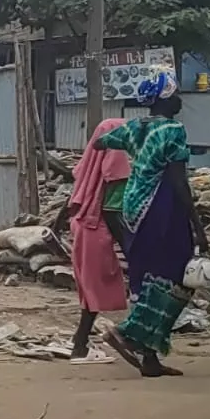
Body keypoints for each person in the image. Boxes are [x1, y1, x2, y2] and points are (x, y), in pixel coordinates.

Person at [101, 70, 207, 377]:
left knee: (146, 275)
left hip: (133, 207)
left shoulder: (134, 127)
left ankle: (149, 358)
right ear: (164, 99)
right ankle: (128, 333)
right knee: (177, 277)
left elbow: (101, 142)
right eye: (174, 94)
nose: (179, 100)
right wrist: (198, 226)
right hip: (162, 208)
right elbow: (177, 181)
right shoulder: (173, 130)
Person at [49, 118, 130, 363]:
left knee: (91, 289)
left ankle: (79, 342)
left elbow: (73, 202)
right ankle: (81, 346)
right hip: (97, 229)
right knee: (97, 289)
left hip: (83, 225)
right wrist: (129, 246)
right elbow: (111, 212)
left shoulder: (90, 167)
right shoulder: (115, 169)